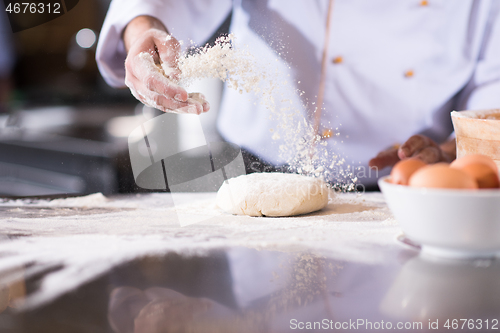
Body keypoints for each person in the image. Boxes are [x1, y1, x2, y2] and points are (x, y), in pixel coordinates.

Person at [96, 0, 500, 188]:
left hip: (400, 190)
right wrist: (142, 31)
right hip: (252, 173)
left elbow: (490, 112)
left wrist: (448, 153)